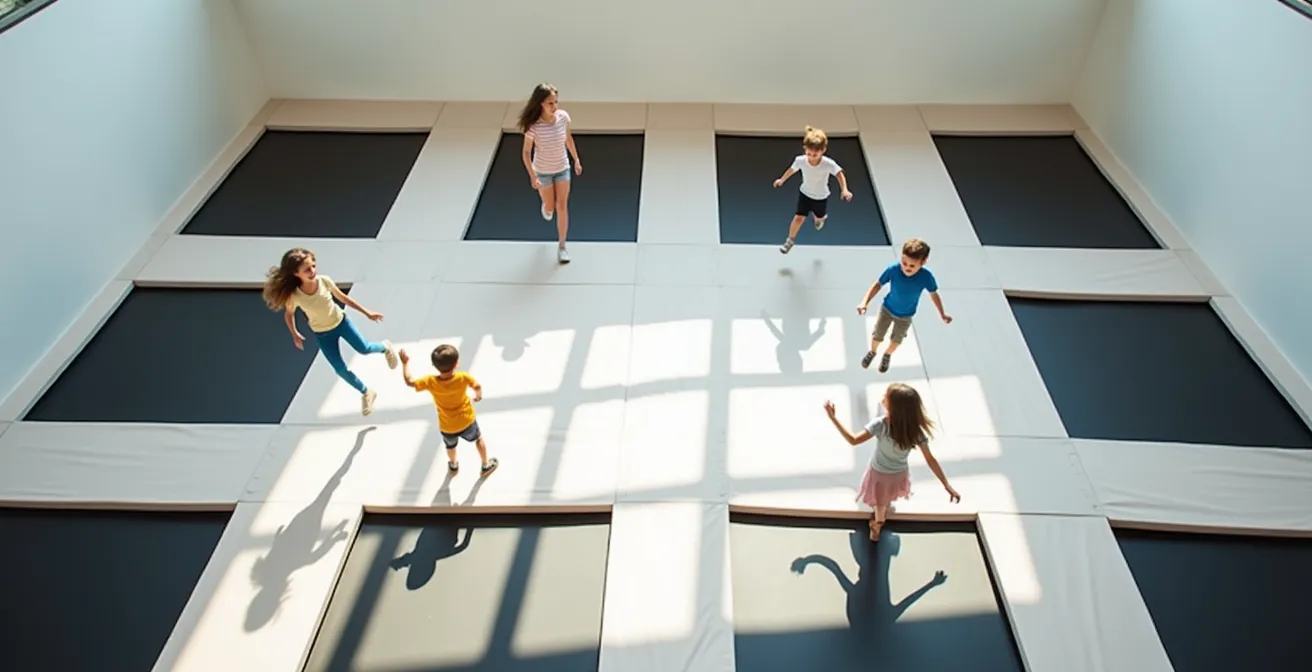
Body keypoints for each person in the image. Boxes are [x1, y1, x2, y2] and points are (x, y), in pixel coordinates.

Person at [262, 247, 396, 416]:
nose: (312, 271)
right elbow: (289, 315)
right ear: (296, 273)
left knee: (364, 349)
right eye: (307, 270)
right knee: (339, 369)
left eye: (313, 266)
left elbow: (343, 298)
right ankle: (366, 392)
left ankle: (385, 347)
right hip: (323, 334)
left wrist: (367, 312)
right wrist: (294, 333)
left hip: (341, 323)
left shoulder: (324, 281)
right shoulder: (294, 296)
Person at [824, 384, 959, 541]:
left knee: (880, 510)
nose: (882, 397)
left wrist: (833, 418)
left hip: (879, 475)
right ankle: (880, 517)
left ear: (893, 406)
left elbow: (853, 440)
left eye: (886, 396)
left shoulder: (881, 424)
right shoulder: (915, 430)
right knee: (885, 500)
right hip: (899, 475)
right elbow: (930, 459)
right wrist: (946, 485)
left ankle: (876, 527)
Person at [400, 344, 499, 476]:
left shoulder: (430, 381)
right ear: (456, 363)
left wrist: (405, 363)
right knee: (478, 439)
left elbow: (410, 381)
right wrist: (478, 396)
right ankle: (485, 465)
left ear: (434, 365)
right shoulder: (463, 377)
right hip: (467, 421)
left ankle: (453, 465)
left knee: (450, 446)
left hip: (447, 426)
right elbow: (477, 386)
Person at [856, 238, 952, 373]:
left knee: (897, 340)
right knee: (877, 335)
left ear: (923, 262)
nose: (907, 268)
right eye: (904, 263)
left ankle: (887, 355)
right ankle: (872, 352)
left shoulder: (926, 277)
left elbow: (934, 295)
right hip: (887, 309)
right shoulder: (893, 269)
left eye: (912, 266)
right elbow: (878, 284)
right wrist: (864, 302)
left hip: (906, 315)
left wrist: (942, 314)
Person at [518, 83, 582, 264]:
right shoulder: (533, 127)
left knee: (562, 206)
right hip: (543, 172)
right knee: (551, 207)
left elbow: (567, 139)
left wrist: (576, 159)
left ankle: (562, 246)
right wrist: (532, 175)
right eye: (550, 103)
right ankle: (546, 206)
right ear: (540, 104)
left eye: (556, 102)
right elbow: (525, 152)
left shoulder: (563, 118)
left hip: (562, 168)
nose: (555, 107)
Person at [773, 125, 852, 254]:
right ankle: (790, 241)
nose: (811, 157)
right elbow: (792, 169)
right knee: (798, 218)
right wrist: (782, 179)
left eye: (815, 154)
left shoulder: (828, 163)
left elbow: (839, 174)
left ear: (823, 150)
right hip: (805, 194)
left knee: (819, 217)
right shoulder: (801, 160)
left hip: (821, 197)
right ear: (805, 150)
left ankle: (820, 218)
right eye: (808, 153)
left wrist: (844, 189)